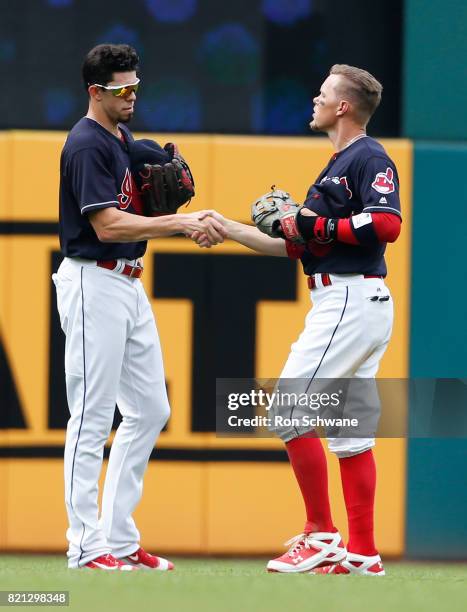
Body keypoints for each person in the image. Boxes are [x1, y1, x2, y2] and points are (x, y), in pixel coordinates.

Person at [195, 64, 401, 576]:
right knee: (350, 435)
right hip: (349, 299)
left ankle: (321, 533)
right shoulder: (337, 163)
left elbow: (387, 224)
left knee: (288, 409)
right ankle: (363, 553)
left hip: (350, 301)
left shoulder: (367, 156)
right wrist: (227, 228)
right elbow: (292, 244)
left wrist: (318, 223)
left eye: (324, 93)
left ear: (344, 107)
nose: (315, 98)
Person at [53, 43, 225, 570]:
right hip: (93, 281)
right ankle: (85, 545)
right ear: (94, 92)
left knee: (151, 410)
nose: (131, 96)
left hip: (127, 283)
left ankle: (120, 539)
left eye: (135, 87)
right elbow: (106, 224)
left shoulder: (121, 138)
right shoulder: (86, 144)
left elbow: (149, 166)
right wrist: (178, 223)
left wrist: (157, 161)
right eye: (120, 90)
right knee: (91, 417)